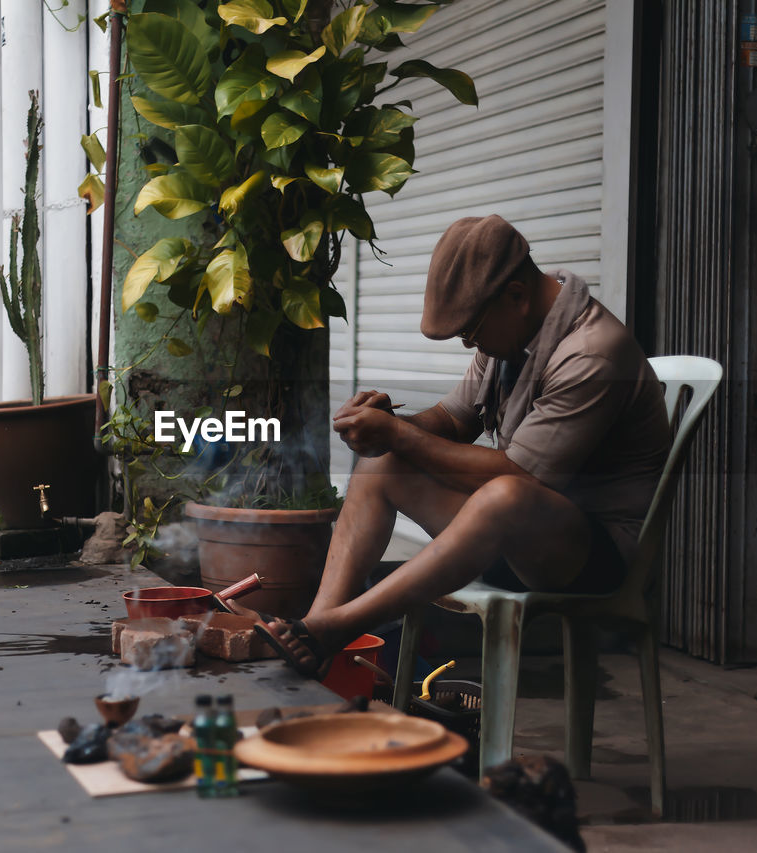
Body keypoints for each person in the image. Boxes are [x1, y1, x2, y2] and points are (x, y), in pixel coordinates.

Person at [230, 215, 673, 677]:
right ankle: (316, 630)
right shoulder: (512, 331)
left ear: (516, 297)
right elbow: (451, 420)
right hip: (511, 541)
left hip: (590, 560)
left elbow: (521, 480)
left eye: (470, 331)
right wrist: (388, 425)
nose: (469, 344)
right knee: (384, 465)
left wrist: (401, 434)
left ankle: (338, 628)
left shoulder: (592, 353)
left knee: (504, 494)